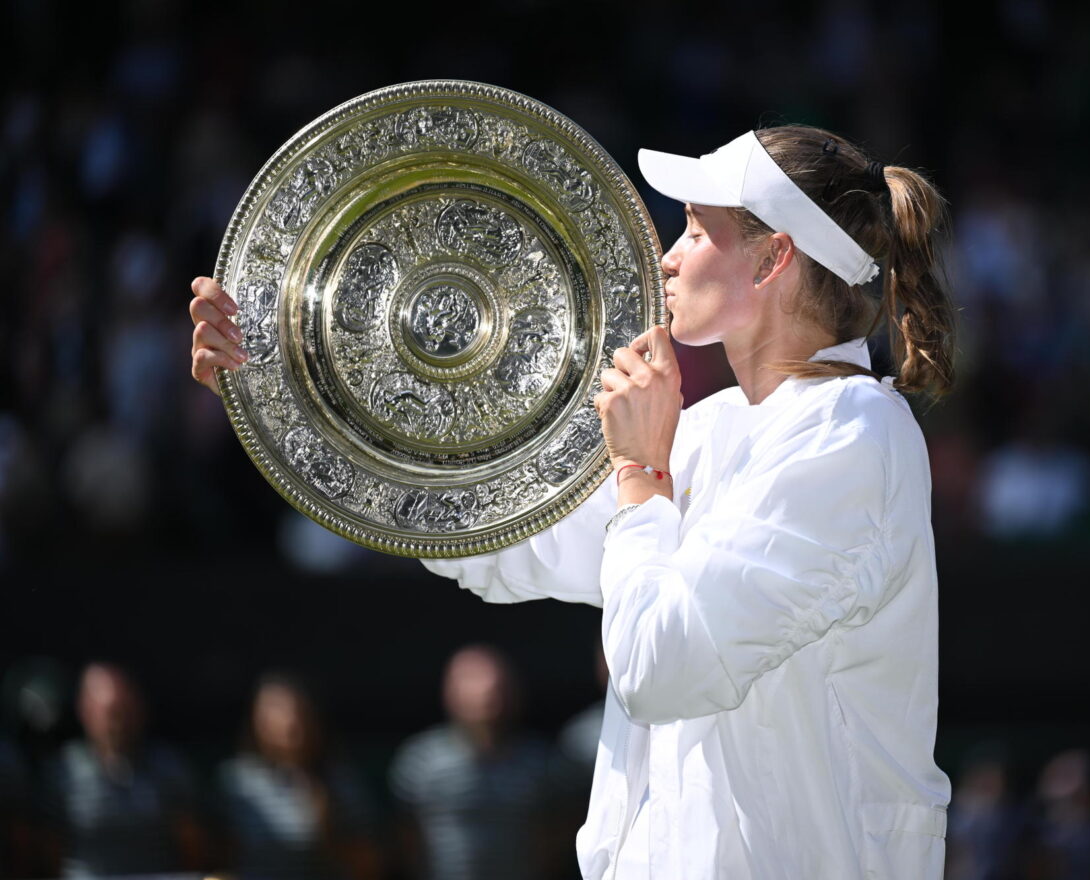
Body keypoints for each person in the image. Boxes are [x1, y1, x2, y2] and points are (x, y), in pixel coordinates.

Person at [189, 122, 958, 879]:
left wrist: (638, 474)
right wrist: (286, 385)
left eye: (695, 231)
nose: (668, 256)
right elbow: (504, 539)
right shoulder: (711, 430)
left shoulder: (849, 436)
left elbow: (664, 668)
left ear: (772, 258)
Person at [389, 644, 575, 880]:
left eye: (496, 684)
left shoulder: (542, 762)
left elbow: (557, 833)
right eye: (471, 681)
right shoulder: (420, 760)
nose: (486, 691)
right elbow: (406, 837)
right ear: (449, 691)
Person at [40, 662, 205, 878]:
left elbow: (191, 845)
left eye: (123, 710)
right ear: (84, 709)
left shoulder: (167, 766)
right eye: (110, 713)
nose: (117, 724)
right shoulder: (62, 771)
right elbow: (46, 848)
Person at [215, 672, 380, 880]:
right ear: (255, 718)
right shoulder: (235, 783)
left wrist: (327, 825)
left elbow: (370, 867)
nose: (290, 720)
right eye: (277, 710)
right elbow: (214, 857)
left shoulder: (341, 781)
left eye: (298, 710)